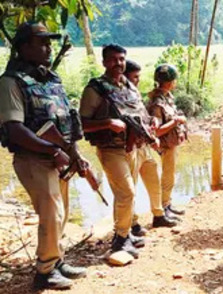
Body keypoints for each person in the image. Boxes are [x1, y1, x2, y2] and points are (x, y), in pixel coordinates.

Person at [0, 22, 87, 289]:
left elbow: (65, 121)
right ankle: (45, 271)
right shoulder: (9, 83)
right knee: (51, 213)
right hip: (34, 159)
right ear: (24, 47)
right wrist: (53, 150)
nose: (49, 48)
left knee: (62, 212)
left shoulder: (50, 79)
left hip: (58, 158)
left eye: (50, 42)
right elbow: (15, 130)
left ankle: (57, 260)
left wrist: (74, 153)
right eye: (42, 43)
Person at [79, 44, 152, 259]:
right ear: (104, 62)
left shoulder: (129, 86)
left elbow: (141, 113)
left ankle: (126, 231)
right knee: (126, 192)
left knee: (127, 194)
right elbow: (82, 124)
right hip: (110, 149)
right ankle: (120, 240)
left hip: (132, 147)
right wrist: (108, 123)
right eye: (112, 59)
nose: (118, 63)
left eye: (121, 59)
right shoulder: (95, 89)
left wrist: (151, 122)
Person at [123, 60, 177, 234]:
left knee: (153, 178)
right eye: (135, 77)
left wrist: (151, 129)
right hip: (129, 146)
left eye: (138, 77)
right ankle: (131, 224)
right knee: (130, 187)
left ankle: (159, 214)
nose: (138, 80)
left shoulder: (135, 94)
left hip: (144, 144)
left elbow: (144, 119)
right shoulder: (119, 95)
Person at [147, 64, 187, 220]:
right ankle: (164, 206)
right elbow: (156, 131)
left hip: (170, 144)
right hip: (164, 146)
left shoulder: (166, 97)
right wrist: (177, 121)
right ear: (171, 82)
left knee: (169, 175)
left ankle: (167, 204)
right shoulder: (158, 102)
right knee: (166, 176)